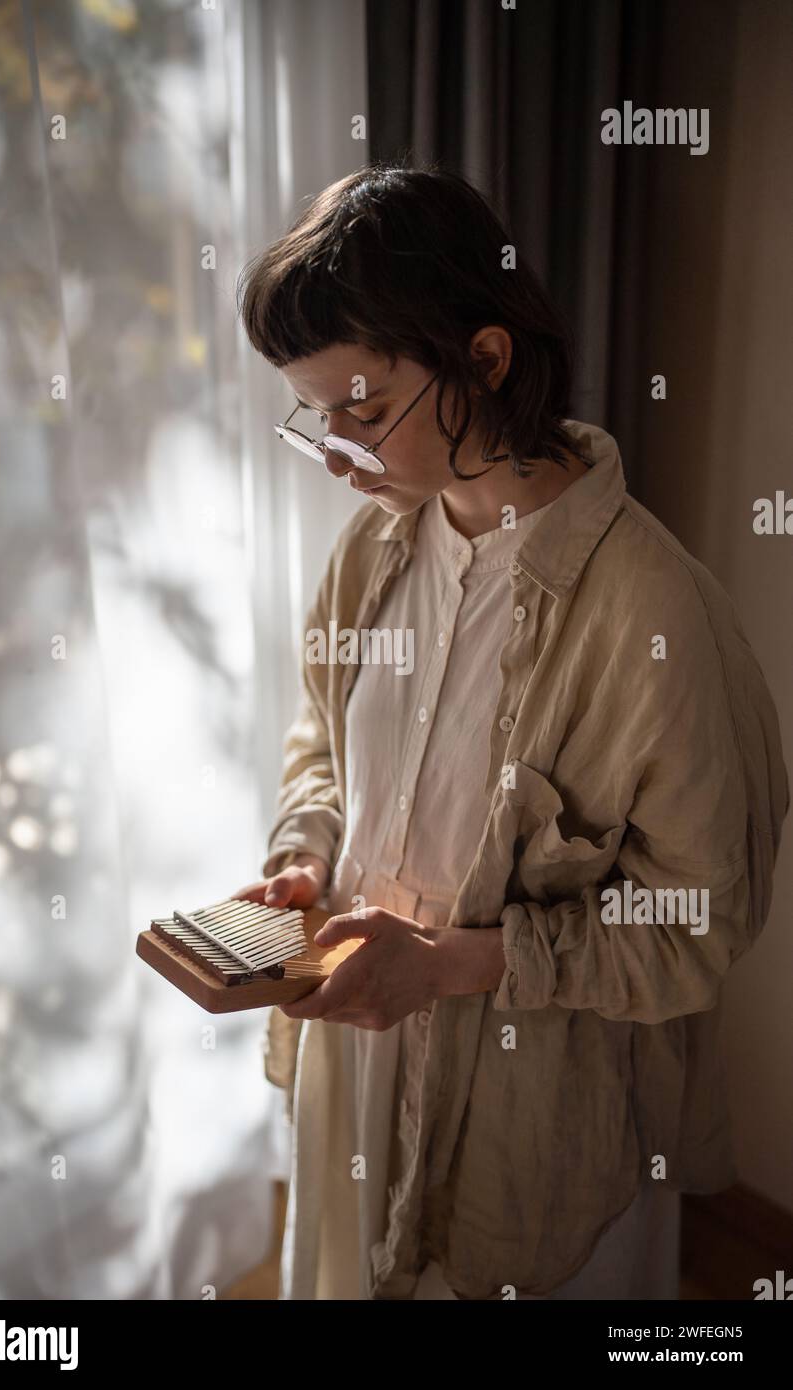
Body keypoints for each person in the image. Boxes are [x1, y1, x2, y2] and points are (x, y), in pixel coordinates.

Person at [232, 164, 789, 1301]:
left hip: (531, 1105)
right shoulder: (371, 553)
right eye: (313, 416)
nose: (336, 453)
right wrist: (305, 853)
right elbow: (322, 745)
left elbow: (697, 918)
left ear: (484, 360)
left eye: (362, 407)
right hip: (363, 1055)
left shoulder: (652, 612)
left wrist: (447, 965)